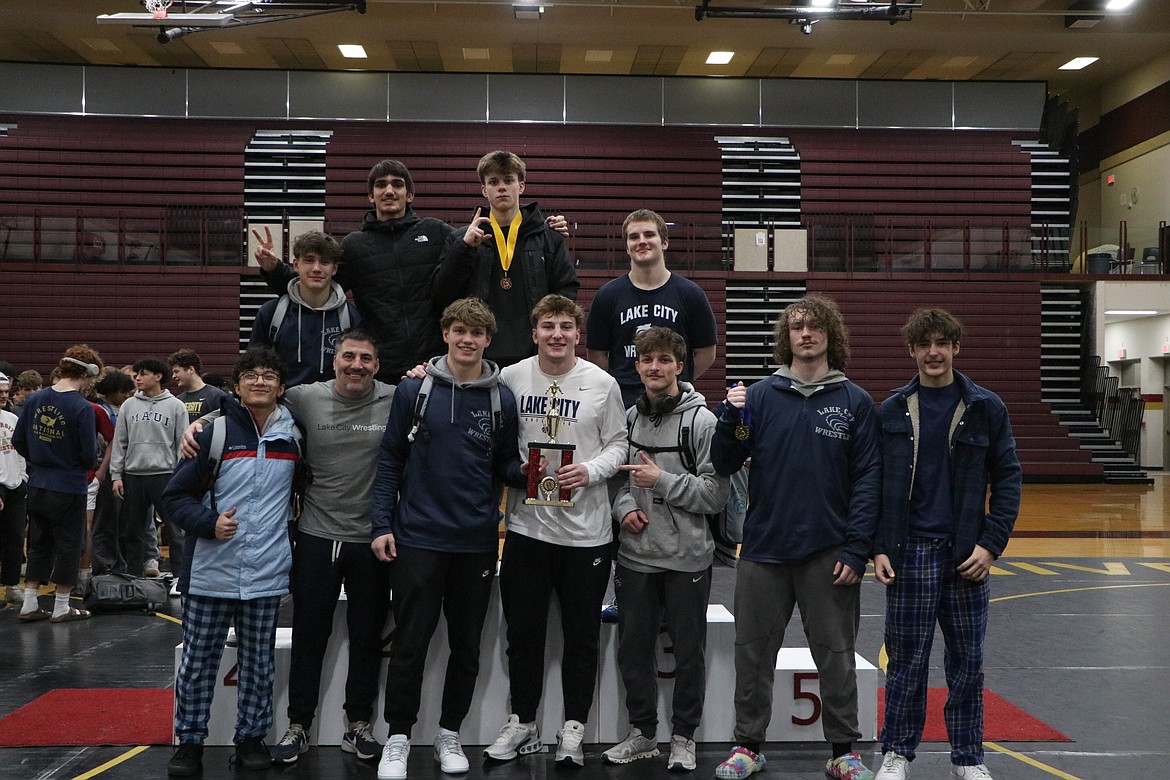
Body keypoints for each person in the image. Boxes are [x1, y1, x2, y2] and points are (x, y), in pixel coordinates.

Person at [711, 293, 880, 780]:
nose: (806, 335)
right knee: (752, 653)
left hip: (829, 553)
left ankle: (844, 751)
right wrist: (730, 419)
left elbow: (868, 480)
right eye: (797, 328)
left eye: (815, 327)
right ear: (786, 339)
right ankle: (747, 746)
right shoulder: (759, 395)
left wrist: (857, 548)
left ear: (831, 335)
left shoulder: (855, 402)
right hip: (764, 549)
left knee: (836, 655)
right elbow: (724, 463)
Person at [370, 298, 525, 780]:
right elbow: (391, 459)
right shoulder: (413, 390)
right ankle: (397, 737)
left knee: (465, 646)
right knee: (411, 642)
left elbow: (502, 465)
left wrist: (534, 473)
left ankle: (448, 733)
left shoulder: (501, 398)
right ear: (445, 334)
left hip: (477, 542)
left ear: (487, 340)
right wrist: (381, 524)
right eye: (459, 330)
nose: (467, 340)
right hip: (418, 537)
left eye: (476, 333)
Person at [872, 309, 1022, 780]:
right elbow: (873, 485)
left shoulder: (986, 407)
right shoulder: (892, 409)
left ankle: (968, 758)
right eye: (924, 344)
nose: (933, 352)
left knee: (967, 664)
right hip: (909, 552)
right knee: (906, 663)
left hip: (965, 556)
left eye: (942, 343)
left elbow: (1009, 479)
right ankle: (897, 753)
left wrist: (991, 545)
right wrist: (879, 547)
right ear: (912, 350)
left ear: (956, 347)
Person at [484, 294, 626, 767]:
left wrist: (589, 471)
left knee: (581, 636)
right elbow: (500, 445)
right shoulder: (510, 377)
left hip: (587, 534)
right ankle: (522, 721)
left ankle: (573, 727)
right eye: (548, 326)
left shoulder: (601, 383)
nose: (557, 334)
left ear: (578, 333)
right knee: (523, 634)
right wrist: (515, 468)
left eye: (566, 326)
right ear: (534, 332)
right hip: (526, 529)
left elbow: (618, 443)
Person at [162, 348, 304, 777]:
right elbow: (173, 498)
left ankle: (251, 737)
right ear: (237, 386)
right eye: (251, 376)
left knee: (259, 664)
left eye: (268, 376)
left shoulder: (295, 436)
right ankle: (189, 742)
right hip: (210, 572)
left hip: (266, 572)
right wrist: (208, 522)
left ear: (281, 386)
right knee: (198, 662)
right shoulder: (213, 433)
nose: (260, 382)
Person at [261, 329, 394, 764]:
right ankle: (298, 724)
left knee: (367, 637)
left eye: (367, 359)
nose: (357, 365)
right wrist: (205, 419)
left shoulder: (397, 397)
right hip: (317, 536)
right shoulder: (305, 397)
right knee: (309, 636)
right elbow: (250, 401)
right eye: (349, 357)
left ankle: (358, 725)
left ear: (377, 365)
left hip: (372, 540)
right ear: (334, 361)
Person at [602, 327, 730, 771]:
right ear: (636, 365)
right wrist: (624, 511)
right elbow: (617, 478)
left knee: (688, 651)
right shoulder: (630, 418)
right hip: (636, 555)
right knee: (633, 648)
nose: (653, 367)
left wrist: (662, 482)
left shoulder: (703, 421)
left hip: (687, 557)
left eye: (663, 360)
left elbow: (716, 494)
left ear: (680, 366)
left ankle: (683, 737)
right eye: (645, 359)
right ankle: (642, 734)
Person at [255, 160, 456, 382]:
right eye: (381, 185)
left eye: (397, 184)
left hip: (434, 361)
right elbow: (316, 283)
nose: (389, 191)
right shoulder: (355, 245)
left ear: (410, 195)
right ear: (371, 196)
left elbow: (467, 258)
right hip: (382, 368)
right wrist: (275, 269)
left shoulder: (435, 231)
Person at [435, 150, 579, 367]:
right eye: (493, 182)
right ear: (484, 189)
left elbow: (566, 291)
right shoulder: (460, 239)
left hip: (533, 352)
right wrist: (464, 249)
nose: (501, 187)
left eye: (508, 180)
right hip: (480, 353)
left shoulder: (548, 237)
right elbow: (441, 295)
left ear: (521, 185)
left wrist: (548, 331)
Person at [586, 209, 718, 408]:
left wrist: (674, 379)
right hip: (623, 404)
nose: (641, 241)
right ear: (627, 247)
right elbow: (597, 354)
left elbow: (706, 352)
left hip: (675, 403)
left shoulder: (691, 294)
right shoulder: (607, 296)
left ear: (664, 242)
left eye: (649, 235)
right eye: (633, 237)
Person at [13, 345, 103, 623]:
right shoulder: (81, 407)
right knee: (69, 544)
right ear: (87, 375)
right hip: (69, 485)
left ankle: (29, 603)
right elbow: (89, 455)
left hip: (38, 483)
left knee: (39, 541)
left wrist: (41, 459)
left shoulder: (34, 399)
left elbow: (18, 441)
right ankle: (62, 606)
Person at [110, 357, 188, 590]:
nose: (137, 378)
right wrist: (116, 475)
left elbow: (182, 443)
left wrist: (181, 476)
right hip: (134, 475)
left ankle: (178, 577)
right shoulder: (128, 406)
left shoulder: (175, 406)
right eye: (136, 374)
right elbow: (119, 442)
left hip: (166, 474)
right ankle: (134, 577)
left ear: (158, 376)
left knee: (175, 530)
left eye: (143, 374)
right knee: (133, 530)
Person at [250, 230, 359, 388]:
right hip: (284, 405)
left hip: (333, 407)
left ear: (334, 269)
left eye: (324, 262)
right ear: (296, 265)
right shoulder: (271, 313)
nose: (316, 268)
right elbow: (253, 366)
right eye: (309, 260)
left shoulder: (351, 317)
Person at [89, 369, 135, 577]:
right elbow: (109, 441)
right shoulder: (100, 411)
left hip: (124, 470)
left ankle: (120, 564)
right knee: (105, 522)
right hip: (106, 471)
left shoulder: (128, 408)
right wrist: (101, 471)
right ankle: (104, 565)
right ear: (111, 391)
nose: (128, 395)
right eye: (124, 391)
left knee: (123, 523)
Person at [0, 378, 28, 608]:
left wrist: (22, 477)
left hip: (15, 484)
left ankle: (11, 585)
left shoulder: (12, 418)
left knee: (15, 538)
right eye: (0, 391)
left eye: (6, 391)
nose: (4, 396)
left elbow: (19, 450)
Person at [169, 349, 228, 423]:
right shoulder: (178, 400)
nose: (173, 376)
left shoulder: (217, 396)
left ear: (191, 370)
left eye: (176, 372)